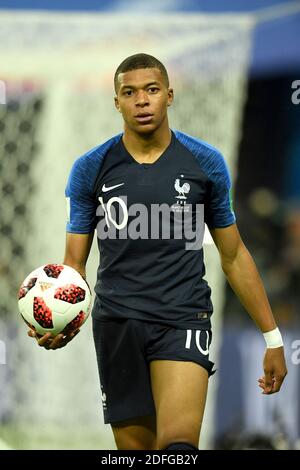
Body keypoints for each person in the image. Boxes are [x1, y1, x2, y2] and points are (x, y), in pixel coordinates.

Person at [28, 53, 287, 451]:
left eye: (151, 90)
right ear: (116, 102)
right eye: (129, 93)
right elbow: (74, 266)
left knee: (179, 449)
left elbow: (233, 256)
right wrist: (60, 322)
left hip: (183, 318)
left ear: (169, 94)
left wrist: (273, 339)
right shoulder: (89, 169)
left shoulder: (206, 164)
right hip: (117, 323)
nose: (142, 101)